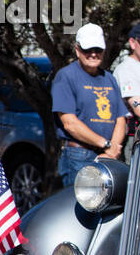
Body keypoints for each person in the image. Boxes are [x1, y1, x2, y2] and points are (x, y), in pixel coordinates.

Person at [51, 24, 130, 186]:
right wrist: (106, 144)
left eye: (98, 49)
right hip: (79, 156)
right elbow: (69, 123)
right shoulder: (65, 76)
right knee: (80, 208)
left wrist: (113, 149)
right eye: (88, 49)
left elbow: (121, 119)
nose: (93, 54)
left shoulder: (109, 78)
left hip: (109, 155)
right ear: (77, 50)